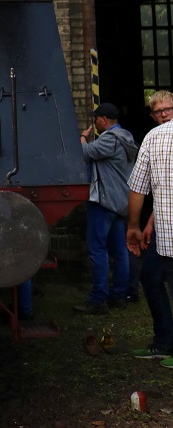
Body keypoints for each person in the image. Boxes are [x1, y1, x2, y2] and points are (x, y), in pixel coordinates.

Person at [74, 102, 138, 315]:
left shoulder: (110, 139)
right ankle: (119, 295)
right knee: (120, 251)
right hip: (120, 203)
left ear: (103, 119)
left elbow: (84, 152)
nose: (95, 124)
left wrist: (83, 136)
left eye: (96, 120)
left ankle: (97, 300)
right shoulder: (126, 138)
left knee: (97, 249)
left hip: (104, 203)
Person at [127, 90, 173, 359]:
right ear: (152, 114)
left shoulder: (152, 139)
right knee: (150, 276)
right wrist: (149, 225)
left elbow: (137, 189)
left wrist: (132, 225)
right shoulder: (153, 137)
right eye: (159, 111)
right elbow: (165, 190)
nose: (164, 114)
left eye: (168, 109)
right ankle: (164, 341)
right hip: (164, 229)